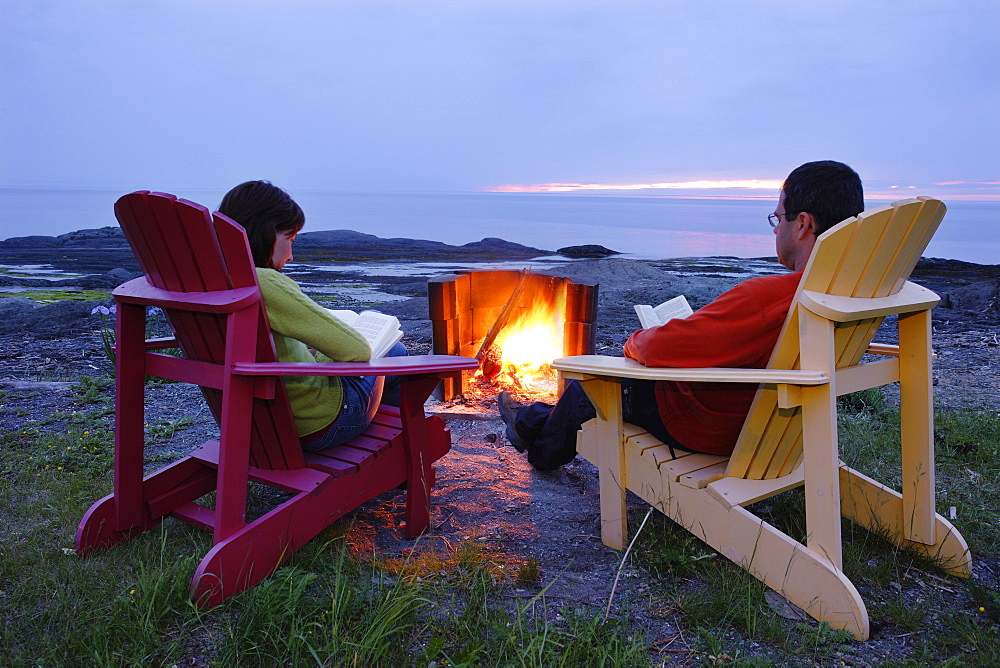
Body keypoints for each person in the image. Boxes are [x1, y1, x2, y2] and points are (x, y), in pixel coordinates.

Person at [498, 160, 865, 471]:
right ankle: (532, 419)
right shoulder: (852, 292)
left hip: (710, 426)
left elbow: (657, 349)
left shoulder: (768, 298)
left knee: (590, 385)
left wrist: (635, 341)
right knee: (588, 392)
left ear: (802, 224)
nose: (775, 228)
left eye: (778, 217)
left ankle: (540, 452)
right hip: (781, 426)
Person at [218, 180, 407, 451]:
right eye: (290, 240)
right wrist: (324, 351)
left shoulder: (213, 282)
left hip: (254, 423)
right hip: (316, 423)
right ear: (267, 232)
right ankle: (394, 453)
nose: (291, 255)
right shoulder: (264, 283)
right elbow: (356, 350)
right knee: (395, 350)